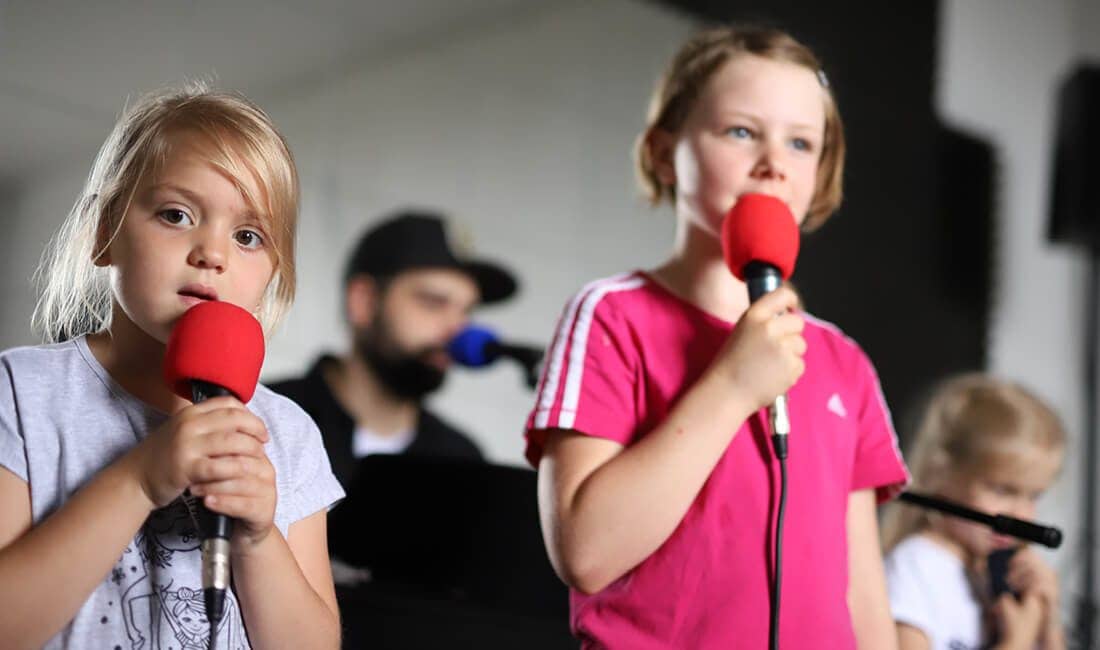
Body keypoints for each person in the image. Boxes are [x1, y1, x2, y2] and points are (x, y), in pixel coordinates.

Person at [524, 25, 909, 648]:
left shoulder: (844, 362)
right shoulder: (611, 316)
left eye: (801, 143)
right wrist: (732, 386)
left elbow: (863, 595)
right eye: (741, 131)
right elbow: (586, 552)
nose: (773, 163)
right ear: (662, 151)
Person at [0, 84, 344, 648]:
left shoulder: (288, 436)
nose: (213, 252)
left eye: (248, 236)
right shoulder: (22, 392)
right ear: (105, 230)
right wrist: (139, 478)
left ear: (272, 274)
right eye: (176, 214)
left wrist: (259, 540)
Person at [268, 210, 517, 489]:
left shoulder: (462, 459)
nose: (457, 329)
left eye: (466, 311)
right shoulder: (266, 418)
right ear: (363, 302)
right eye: (433, 302)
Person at [881, 374, 1066, 650]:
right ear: (941, 475)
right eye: (1003, 491)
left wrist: (1046, 621)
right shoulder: (914, 568)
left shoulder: (995, 572)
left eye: (1033, 495)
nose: (1022, 515)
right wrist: (1016, 641)